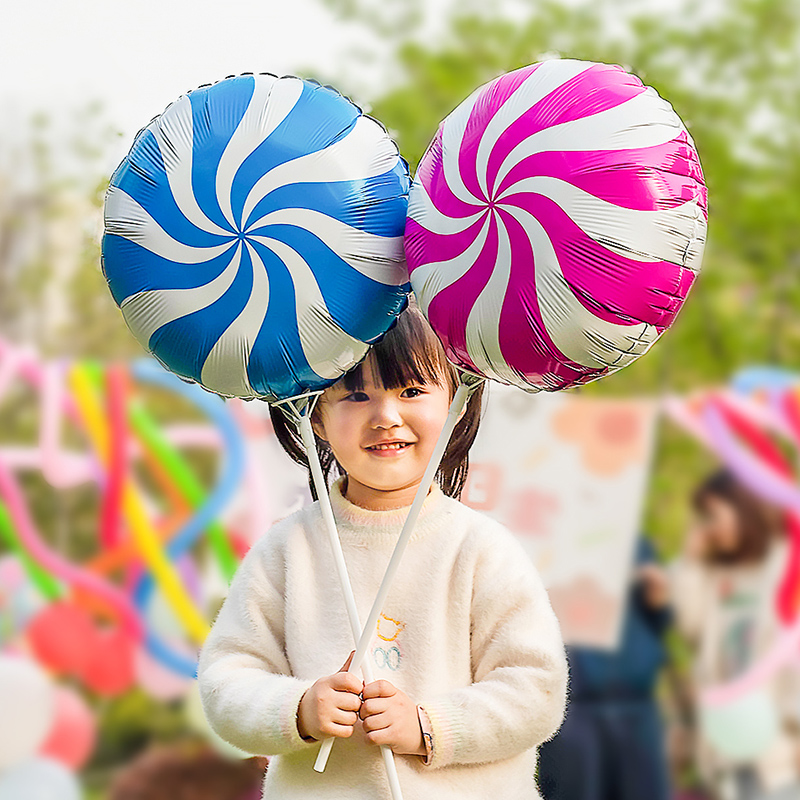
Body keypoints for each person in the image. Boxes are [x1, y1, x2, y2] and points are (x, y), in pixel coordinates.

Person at [197, 306, 569, 800]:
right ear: (317, 417)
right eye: (355, 394)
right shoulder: (288, 551)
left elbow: (535, 689)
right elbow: (228, 679)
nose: (386, 417)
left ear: (455, 403)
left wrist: (427, 725)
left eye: (412, 391)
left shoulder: (481, 549)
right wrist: (299, 707)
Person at [671, 469, 800, 800]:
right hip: (725, 739)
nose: (709, 528)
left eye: (714, 515)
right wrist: (691, 562)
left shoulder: (785, 565)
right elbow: (691, 625)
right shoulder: (717, 575)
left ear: (743, 509)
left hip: (778, 745)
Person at [537, 537, 674, 800]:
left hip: (637, 704)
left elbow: (655, 623)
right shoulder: (539, 537)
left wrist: (659, 601)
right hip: (572, 707)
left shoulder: (633, 541)